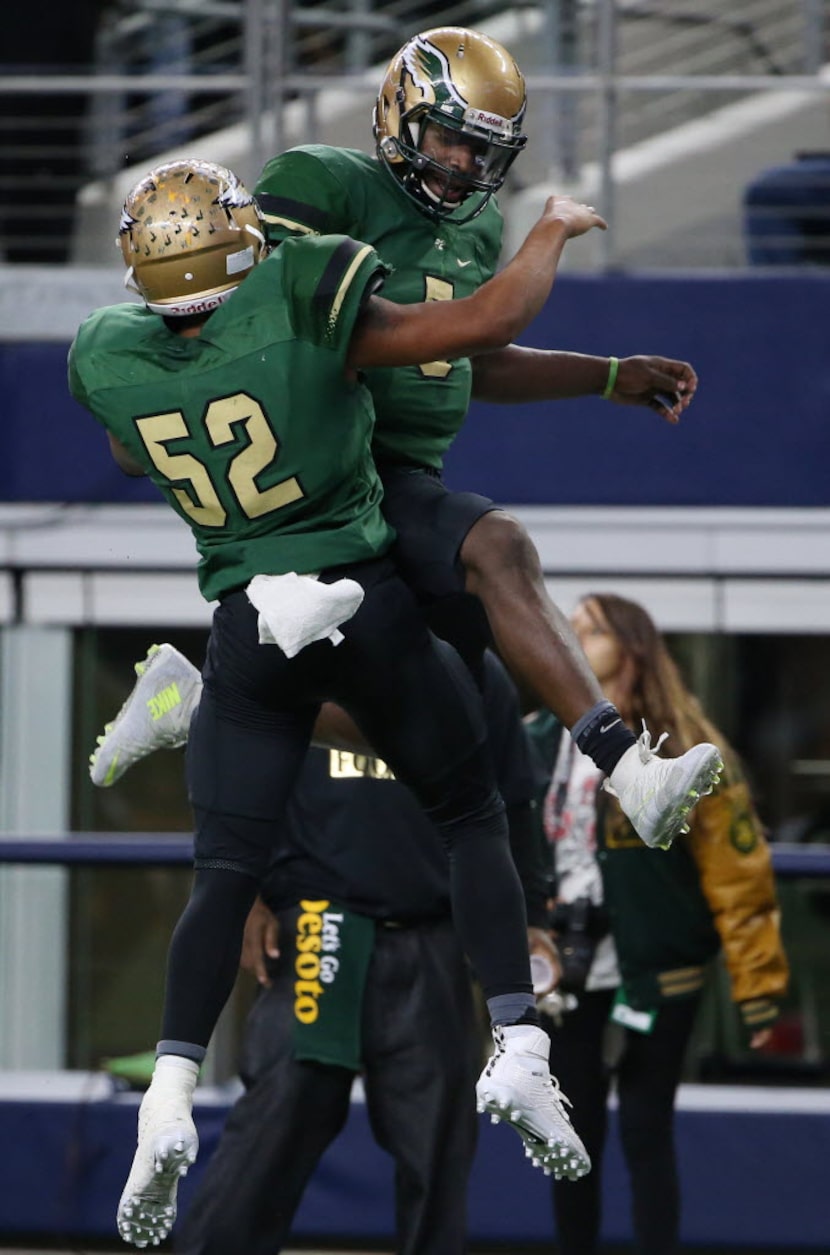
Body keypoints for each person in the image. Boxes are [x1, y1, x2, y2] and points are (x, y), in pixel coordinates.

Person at [68, 155, 602, 1247]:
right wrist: (549, 230)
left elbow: (132, 449)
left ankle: (167, 1087)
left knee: (220, 874)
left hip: (244, 615)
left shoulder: (107, 350)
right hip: (346, 577)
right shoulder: (300, 288)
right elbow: (477, 327)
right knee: (469, 803)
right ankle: (520, 1038)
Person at [92, 26, 724, 860]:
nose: (463, 163)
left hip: (403, 472)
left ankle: (204, 700)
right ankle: (627, 767)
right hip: (333, 468)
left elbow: (469, 350)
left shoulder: (474, 226)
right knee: (498, 545)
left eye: (481, 149)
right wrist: (554, 232)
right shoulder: (319, 182)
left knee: (448, 703)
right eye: (449, 138)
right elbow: (250, 324)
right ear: (398, 114)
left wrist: (605, 375)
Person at [161, 648, 544, 1255]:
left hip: (432, 931)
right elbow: (231, 777)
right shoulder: (294, 649)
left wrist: (535, 915)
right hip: (320, 921)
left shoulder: (470, 666)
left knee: (438, 1148)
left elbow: (516, 801)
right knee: (275, 1126)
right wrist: (247, 895)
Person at [525, 592, 789, 1255]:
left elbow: (740, 874)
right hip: (566, 967)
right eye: (570, 625)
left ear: (632, 645)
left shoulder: (684, 746)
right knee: (570, 1136)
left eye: (591, 626)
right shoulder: (536, 735)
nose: (574, 632)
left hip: (656, 970)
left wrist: (758, 992)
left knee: (647, 1130)